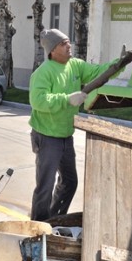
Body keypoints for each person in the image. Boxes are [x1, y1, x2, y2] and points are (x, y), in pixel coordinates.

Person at [28, 29, 119, 221]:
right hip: (46, 136)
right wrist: (68, 99)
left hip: (65, 135)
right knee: (45, 185)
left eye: (68, 42)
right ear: (52, 50)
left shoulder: (75, 65)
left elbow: (97, 73)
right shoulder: (43, 72)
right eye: (63, 43)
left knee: (70, 182)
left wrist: (119, 64)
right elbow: (38, 101)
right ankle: (37, 226)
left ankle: (54, 220)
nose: (69, 46)